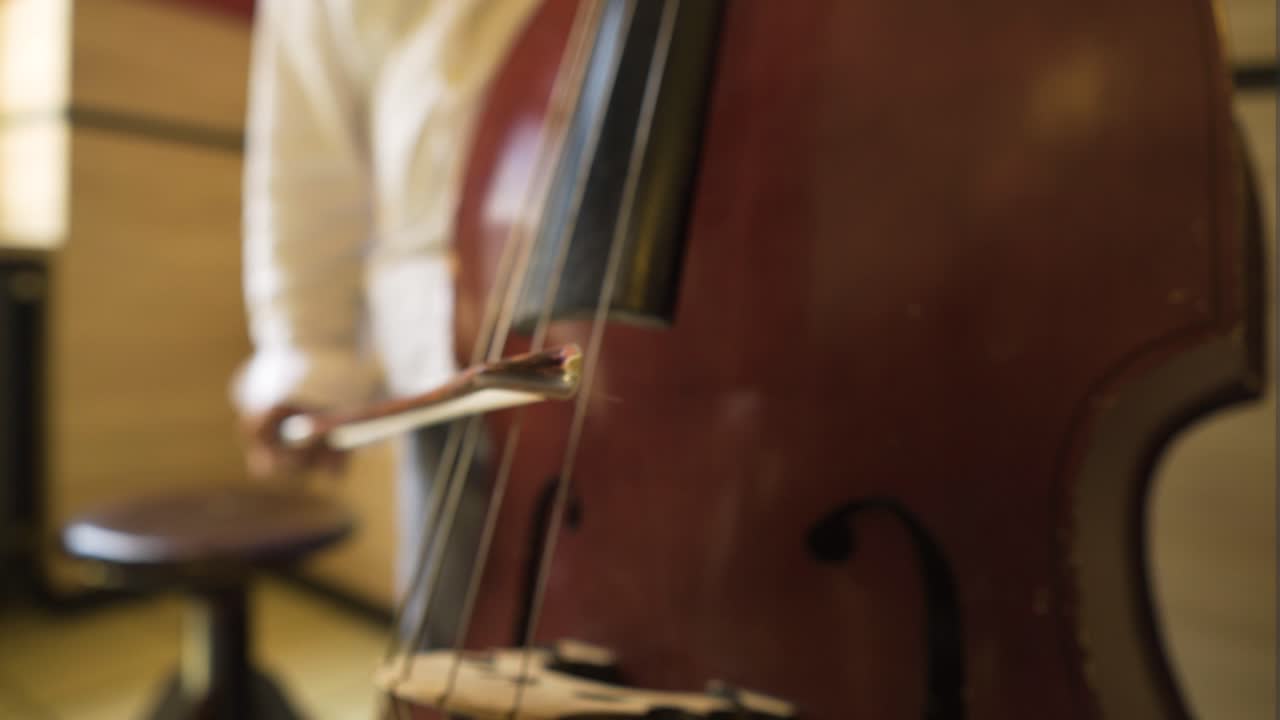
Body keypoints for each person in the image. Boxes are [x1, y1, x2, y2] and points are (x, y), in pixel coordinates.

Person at [231, 0, 537, 647]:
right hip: (452, 347)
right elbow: (305, 144)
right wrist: (305, 345)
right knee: (453, 634)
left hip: (692, 301)